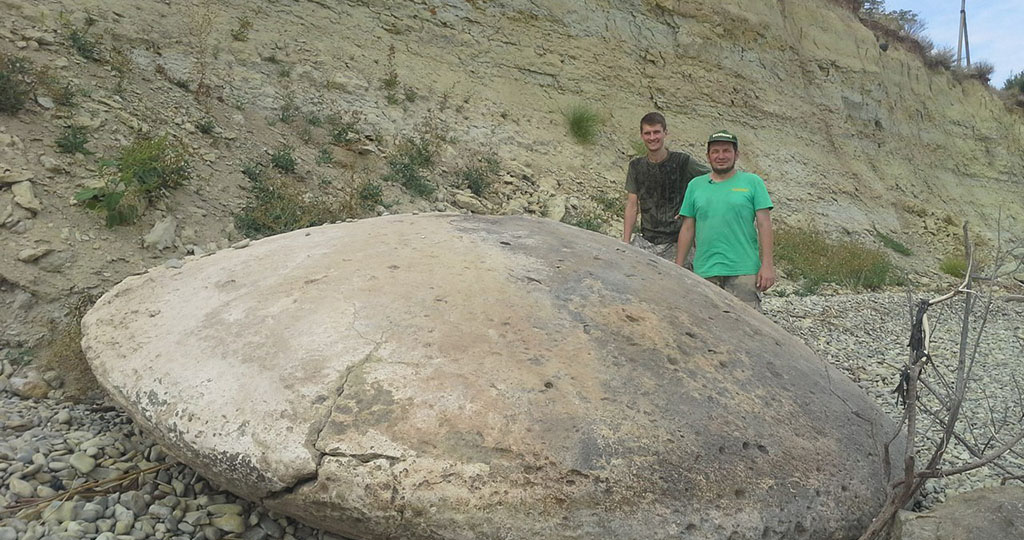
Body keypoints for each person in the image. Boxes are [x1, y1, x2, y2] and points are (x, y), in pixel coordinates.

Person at [675, 130, 776, 311]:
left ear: (736, 154)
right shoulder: (695, 185)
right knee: (707, 327)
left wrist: (767, 265)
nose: (721, 156)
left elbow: (764, 224)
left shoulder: (753, 182)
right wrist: (678, 266)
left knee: (748, 329)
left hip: (743, 270)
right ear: (708, 156)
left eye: (726, 151)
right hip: (705, 271)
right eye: (715, 151)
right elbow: (688, 228)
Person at [622, 112, 709, 264]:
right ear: (642, 136)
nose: (652, 137)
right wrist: (625, 241)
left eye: (656, 132)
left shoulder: (683, 162)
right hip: (647, 241)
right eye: (647, 133)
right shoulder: (636, 166)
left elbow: (713, 179)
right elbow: (632, 205)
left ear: (665, 133)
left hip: (678, 242)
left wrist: (691, 206)